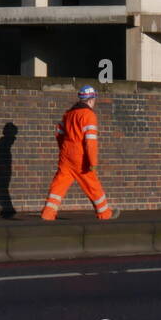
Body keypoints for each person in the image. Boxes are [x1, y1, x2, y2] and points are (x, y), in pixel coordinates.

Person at [40, 84, 112, 221]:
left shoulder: (68, 114)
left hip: (66, 156)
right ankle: (105, 214)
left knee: (58, 185)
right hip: (81, 157)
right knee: (92, 185)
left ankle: (47, 214)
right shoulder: (89, 115)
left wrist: (64, 149)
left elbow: (59, 134)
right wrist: (93, 163)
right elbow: (90, 142)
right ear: (91, 100)